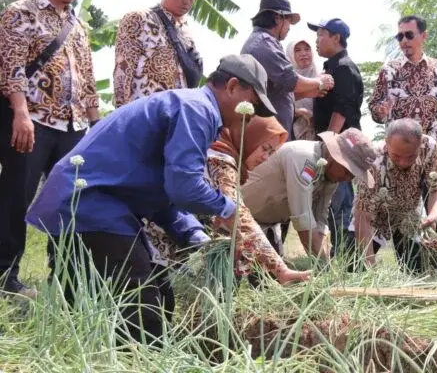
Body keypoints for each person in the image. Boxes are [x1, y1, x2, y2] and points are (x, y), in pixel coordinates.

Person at [25, 54, 278, 343]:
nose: (252, 113)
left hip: (84, 203)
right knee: (143, 318)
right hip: (89, 204)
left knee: (117, 305)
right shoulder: (199, 110)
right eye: (254, 103)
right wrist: (227, 209)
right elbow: (185, 186)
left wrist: (196, 236)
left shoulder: (189, 105)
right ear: (233, 86)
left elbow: (164, 193)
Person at [0, 0, 100, 297]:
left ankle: (66, 276)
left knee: (71, 202)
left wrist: (96, 126)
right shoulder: (21, 13)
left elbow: (87, 79)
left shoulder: (78, 25)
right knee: (16, 196)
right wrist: (20, 113)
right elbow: (11, 66)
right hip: (32, 122)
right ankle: (5, 276)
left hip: (72, 128)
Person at [143, 115, 311, 285]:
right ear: (249, 137)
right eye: (264, 148)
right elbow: (239, 217)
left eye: (271, 153)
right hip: (156, 234)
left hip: (171, 231)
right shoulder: (221, 162)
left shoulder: (222, 154)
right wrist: (281, 269)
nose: (265, 157)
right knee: (153, 299)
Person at [368, 14, 437, 257]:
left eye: (409, 35)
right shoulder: (389, 71)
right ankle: (408, 266)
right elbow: (374, 105)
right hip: (401, 156)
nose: (403, 41)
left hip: (433, 152)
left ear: (423, 36)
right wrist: (380, 110)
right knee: (401, 211)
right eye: (399, 36)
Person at [240, 128, 376, 262]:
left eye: (352, 176)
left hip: (266, 227)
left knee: (268, 278)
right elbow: (303, 221)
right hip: (235, 220)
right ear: (334, 155)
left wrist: (324, 259)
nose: (347, 179)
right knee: (229, 276)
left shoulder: (331, 178)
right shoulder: (303, 158)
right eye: (347, 171)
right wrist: (324, 267)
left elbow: (320, 219)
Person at [353, 119, 437, 273]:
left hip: (409, 217)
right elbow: (363, 216)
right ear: (386, 143)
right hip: (375, 217)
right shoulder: (373, 160)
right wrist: (370, 270)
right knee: (356, 269)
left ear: (420, 143)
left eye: (410, 157)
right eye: (396, 157)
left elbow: (436, 188)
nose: (403, 163)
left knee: (421, 270)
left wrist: (434, 215)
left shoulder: (428, 146)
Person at [309, 18, 364, 257]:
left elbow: (342, 109)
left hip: (340, 149)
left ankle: (345, 259)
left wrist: (329, 144)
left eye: (321, 34)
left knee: (340, 204)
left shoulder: (343, 67)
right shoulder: (331, 67)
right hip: (334, 145)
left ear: (336, 38)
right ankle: (341, 257)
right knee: (333, 203)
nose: (316, 40)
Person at [241, 0, 334, 136]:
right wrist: (320, 81)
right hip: (266, 135)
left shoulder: (265, 42)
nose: (289, 27)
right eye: (288, 21)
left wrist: (306, 92)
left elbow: (274, 91)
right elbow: (290, 80)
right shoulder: (264, 44)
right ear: (278, 18)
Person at [113, 0, 205, 107]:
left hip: (176, 115)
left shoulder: (186, 32)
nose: (187, 1)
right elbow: (123, 73)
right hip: (144, 114)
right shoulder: (139, 19)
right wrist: (123, 117)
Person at [285, 34, 319, 141]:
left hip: (320, 134)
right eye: (298, 50)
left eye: (307, 49)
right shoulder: (285, 80)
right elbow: (277, 107)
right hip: (291, 137)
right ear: (290, 55)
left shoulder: (322, 77)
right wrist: (297, 112)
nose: (303, 53)